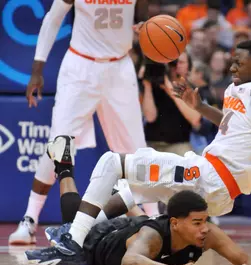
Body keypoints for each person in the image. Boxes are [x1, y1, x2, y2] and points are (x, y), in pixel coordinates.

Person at [25, 40, 251, 265]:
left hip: (211, 177)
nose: (232, 68)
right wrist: (198, 106)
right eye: (232, 62)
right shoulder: (236, 88)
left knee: (112, 162)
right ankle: (74, 235)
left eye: (239, 63)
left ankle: (72, 243)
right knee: (132, 190)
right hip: (213, 183)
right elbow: (230, 124)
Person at [9, 0, 148, 245]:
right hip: (81, 67)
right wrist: (37, 69)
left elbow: (141, 12)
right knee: (59, 144)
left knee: (137, 149)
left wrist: (143, 25)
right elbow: (53, 18)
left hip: (120, 67)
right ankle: (29, 220)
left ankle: (153, 220)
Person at [25, 150, 251, 265]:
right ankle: (64, 167)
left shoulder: (206, 234)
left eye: (205, 221)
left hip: (133, 224)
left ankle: (127, 193)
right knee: (73, 219)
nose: (204, 228)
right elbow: (130, 263)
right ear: (176, 223)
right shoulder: (154, 237)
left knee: (134, 204)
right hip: (99, 241)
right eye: (197, 222)